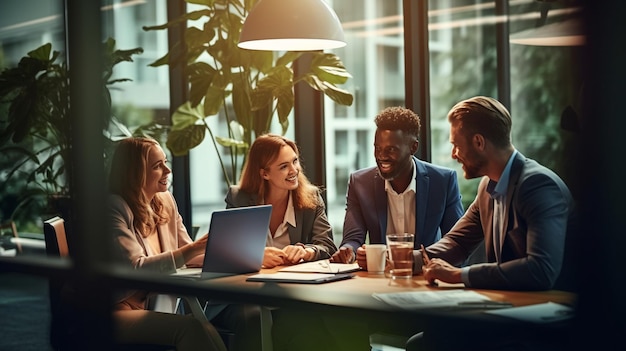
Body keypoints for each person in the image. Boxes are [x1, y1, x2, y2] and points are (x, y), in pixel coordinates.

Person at [406, 96, 578, 350]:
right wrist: (407, 259)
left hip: (549, 323)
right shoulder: (488, 185)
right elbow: (458, 241)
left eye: (456, 145)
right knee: (425, 340)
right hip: (510, 310)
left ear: (479, 142)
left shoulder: (538, 185)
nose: (454, 155)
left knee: (429, 343)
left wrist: (458, 275)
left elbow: (541, 270)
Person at [209, 133, 339, 351]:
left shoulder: (311, 198)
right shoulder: (239, 198)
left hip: (291, 294)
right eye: (283, 166)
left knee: (307, 321)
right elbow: (223, 252)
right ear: (264, 173)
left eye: (295, 161)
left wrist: (307, 251)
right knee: (253, 318)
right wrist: (256, 256)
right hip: (243, 296)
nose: (294, 170)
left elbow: (327, 246)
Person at [108, 137, 227, 351]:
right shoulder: (114, 208)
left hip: (149, 304)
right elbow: (136, 269)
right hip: (113, 311)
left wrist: (240, 255)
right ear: (135, 174)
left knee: (204, 328)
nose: (168, 171)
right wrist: (195, 248)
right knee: (190, 328)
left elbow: (189, 256)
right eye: (157, 166)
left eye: (165, 162)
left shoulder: (164, 201)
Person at [330, 106, 464, 269]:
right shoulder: (360, 183)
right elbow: (353, 239)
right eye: (377, 148)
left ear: (413, 147)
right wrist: (349, 251)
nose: (381, 157)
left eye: (391, 150)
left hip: (426, 277)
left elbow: (457, 246)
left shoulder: (442, 181)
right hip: (380, 278)